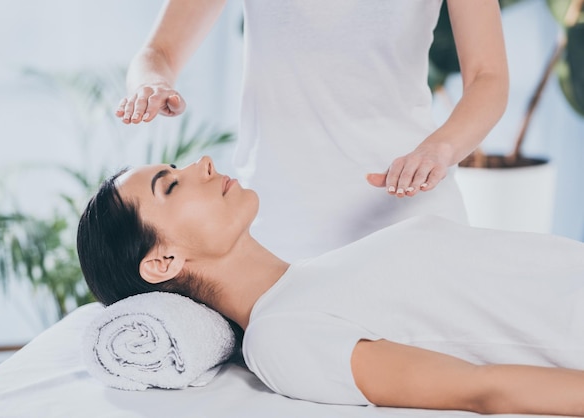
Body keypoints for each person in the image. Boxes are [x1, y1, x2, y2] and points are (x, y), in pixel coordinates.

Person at [77, 156, 584, 415]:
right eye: (171, 184)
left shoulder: (315, 276)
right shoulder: (280, 338)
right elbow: (481, 390)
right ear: (164, 260)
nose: (202, 164)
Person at [114, 1, 509, 261]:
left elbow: (488, 77)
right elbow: (159, 52)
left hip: (410, 212)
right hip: (279, 229)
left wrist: (439, 150)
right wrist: (151, 83)